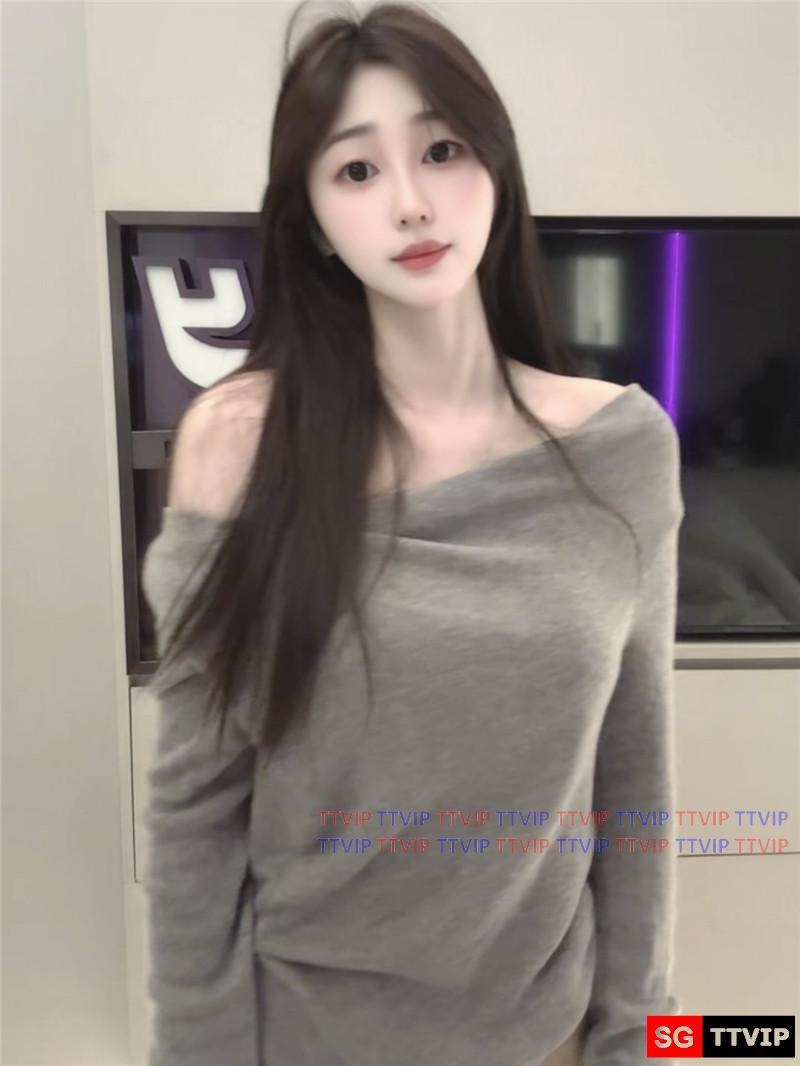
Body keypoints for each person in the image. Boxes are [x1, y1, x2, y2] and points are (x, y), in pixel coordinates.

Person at [141, 2, 685, 1064]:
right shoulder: (239, 444)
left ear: (494, 166)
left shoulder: (619, 446)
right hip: (303, 1035)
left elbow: (636, 779)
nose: (409, 202)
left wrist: (641, 1036)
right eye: (355, 170)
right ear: (311, 218)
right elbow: (196, 811)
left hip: (546, 1033)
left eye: (440, 151)